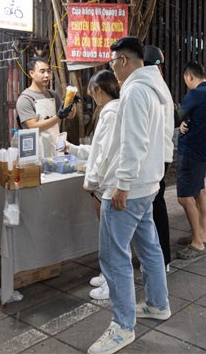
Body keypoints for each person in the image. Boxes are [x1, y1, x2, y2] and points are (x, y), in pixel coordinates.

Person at [88, 37, 172, 354]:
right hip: (148, 183)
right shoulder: (155, 86)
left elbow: (132, 142)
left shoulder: (135, 90)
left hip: (130, 187)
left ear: (124, 60)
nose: (112, 68)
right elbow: (160, 138)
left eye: (113, 62)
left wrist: (122, 184)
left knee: (113, 255)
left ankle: (123, 327)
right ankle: (157, 303)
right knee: (149, 246)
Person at [66, 70, 120, 301]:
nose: (92, 98)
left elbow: (104, 154)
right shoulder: (116, 109)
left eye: (91, 93)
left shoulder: (110, 113)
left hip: (109, 185)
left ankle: (111, 284)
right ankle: (107, 275)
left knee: (111, 237)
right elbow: (99, 150)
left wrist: (90, 182)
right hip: (110, 183)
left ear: (99, 90)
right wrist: (73, 148)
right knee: (110, 235)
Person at [174, 61, 206, 259]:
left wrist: (178, 118)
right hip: (201, 150)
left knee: (184, 197)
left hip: (190, 151)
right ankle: (201, 234)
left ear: (190, 77)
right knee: (199, 193)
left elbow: (176, 116)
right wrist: (184, 121)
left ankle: (197, 242)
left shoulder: (196, 93)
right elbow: (190, 117)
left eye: (185, 80)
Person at [143, 45, 174, 268]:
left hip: (153, 156)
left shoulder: (146, 86)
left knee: (154, 206)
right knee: (155, 205)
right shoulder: (159, 84)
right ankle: (161, 257)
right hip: (161, 154)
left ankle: (161, 257)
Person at [16, 57, 77, 157]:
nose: (47, 75)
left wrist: (72, 103)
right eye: (42, 71)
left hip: (54, 147)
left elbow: (70, 116)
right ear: (31, 73)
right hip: (35, 152)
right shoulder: (25, 99)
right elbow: (33, 127)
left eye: (49, 71)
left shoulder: (53, 94)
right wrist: (58, 117)